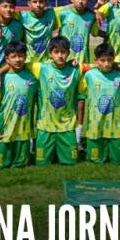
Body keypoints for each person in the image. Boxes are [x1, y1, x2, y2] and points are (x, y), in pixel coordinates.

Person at [26, 35, 82, 166]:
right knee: (42, 164)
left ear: (68, 53)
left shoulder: (75, 69)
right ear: (50, 54)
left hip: (67, 126)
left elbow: (100, 65)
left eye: (63, 52)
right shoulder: (40, 68)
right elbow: (17, 61)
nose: (60, 55)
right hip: (45, 126)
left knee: (71, 163)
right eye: (56, 52)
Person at [78, 43, 120, 164]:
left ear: (114, 59)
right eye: (102, 60)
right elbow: (73, 66)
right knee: (95, 161)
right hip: (95, 126)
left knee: (118, 161)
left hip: (115, 126)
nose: (106, 63)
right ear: (96, 61)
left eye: (109, 60)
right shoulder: (89, 75)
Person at [0, 42, 37, 169]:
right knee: (0, 165)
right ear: (7, 59)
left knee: (21, 165)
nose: (18, 59)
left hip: (23, 129)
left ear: (26, 57)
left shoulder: (32, 76)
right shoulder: (0, 79)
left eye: (21, 56)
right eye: (14, 56)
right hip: (4, 127)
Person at [55, 0, 98, 66]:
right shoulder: (62, 13)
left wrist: (96, 9)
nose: (80, 1)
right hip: (64, 60)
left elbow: (95, 33)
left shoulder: (92, 17)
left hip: (83, 61)